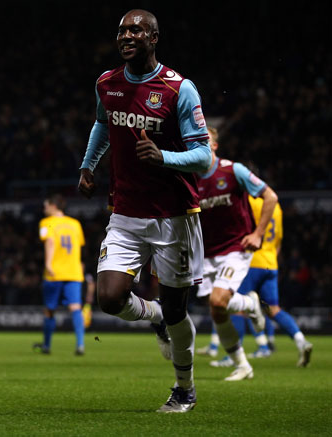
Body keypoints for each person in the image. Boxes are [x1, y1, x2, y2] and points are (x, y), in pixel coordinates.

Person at [77, 9, 212, 413]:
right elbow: (103, 125)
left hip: (175, 216)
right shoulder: (107, 83)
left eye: (136, 30)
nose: (127, 35)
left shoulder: (178, 89)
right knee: (109, 298)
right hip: (125, 211)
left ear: (154, 38)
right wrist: (88, 165)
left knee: (177, 310)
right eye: (121, 30)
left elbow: (204, 157)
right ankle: (150, 314)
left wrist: (164, 158)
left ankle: (184, 388)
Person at [194, 126, 276, 380]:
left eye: (204, 141)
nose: (199, 145)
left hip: (235, 248)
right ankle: (243, 364)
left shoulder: (233, 170)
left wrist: (258, 234)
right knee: (216, 309)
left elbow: (270, 197)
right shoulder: (190, 178)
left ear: (215, 146)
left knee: (218, 301)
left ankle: (250, 306)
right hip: (206, 253)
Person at [207, 194, 313, 367]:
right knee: (273, 309)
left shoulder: (248, 201)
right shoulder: (276, 207)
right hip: (270, 264)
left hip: (251, 262)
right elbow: (278, 241)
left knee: (236, 308)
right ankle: (301, 341)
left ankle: (233, 358)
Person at [32, 194, 86, 356]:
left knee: (50, 310)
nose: (44, 209)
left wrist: (48, 263)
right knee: (76, 308)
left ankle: (47, 346)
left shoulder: (46, 223)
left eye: (45, 205)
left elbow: (49, 241)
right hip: (74, 272)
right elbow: (79, 247)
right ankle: (80, 344)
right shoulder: (75, 224)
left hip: (53, 272)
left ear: (53, 206)